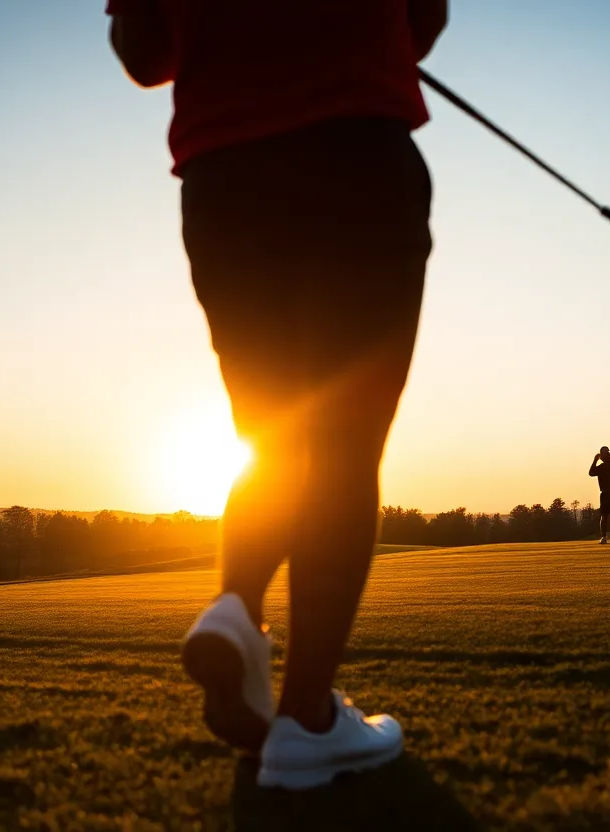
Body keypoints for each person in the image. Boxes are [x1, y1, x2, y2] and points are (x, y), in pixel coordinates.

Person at [106, 1, 447, 790]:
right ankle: (307, 719)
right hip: (355, 148)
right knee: (342, 445)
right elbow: (425, 15)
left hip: (224, 179)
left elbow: (142, 50)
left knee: (271, 430)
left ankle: (235, 606)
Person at [589, 446, 610, 544]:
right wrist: (595, 461)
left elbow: (597, 471)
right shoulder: (600, 467)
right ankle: (604, 537)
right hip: (605, 493)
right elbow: (591, 473)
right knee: (604, 516)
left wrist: (596, 461)